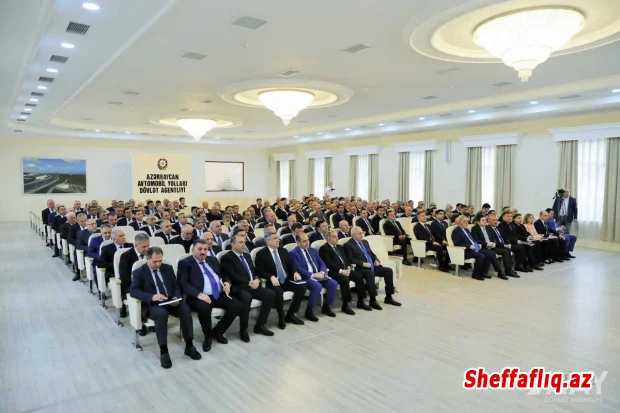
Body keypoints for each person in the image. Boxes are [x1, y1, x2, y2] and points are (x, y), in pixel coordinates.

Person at [130, 247, 201, 368]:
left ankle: (189, 345)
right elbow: (134, 291)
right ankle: (164, 351)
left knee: (185, 309)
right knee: (161, 314)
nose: (158, 264)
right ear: (147, 258)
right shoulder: (139, 272)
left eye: (160, 261)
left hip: (170, 300)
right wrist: (152, 297)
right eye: (155, 261)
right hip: (153, 304)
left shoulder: (167, 268)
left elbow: (176, 286)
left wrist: (176, 297)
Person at [177, 239, 242, 352]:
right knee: (204, 308)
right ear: (193, 250)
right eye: (199, 249)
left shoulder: (212, 259)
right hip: (197, 296)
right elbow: (183, 283)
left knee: (236, 305)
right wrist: (198, 294)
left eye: (205, 249)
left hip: (217, 294)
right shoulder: (185, 263)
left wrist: (227, 282)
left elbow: (223, 274)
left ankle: (218, 332)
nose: (203, 252)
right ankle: (208, 337)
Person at [220, 235, 276, 340]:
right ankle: (243, 329)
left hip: (252, 285)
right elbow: (232, 275)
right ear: (232, 244)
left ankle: (260, 325)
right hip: (239, 287)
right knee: (246, 297)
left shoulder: (247, 256)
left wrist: (257, 279)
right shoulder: (227, 258)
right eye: (240, 242)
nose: (244, 244)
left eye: (244, 242)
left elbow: (255, 271)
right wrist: (248, 282)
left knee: (270, 294)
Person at [254, 233, 308, 328]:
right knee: (278, 292)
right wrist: (271, 277)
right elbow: (260, 270)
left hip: (286, 279)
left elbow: (290, 265)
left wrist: (295, 272)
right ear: (268, 241)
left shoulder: (283, 251)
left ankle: (291, 314)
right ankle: (281, 317)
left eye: (278, 238)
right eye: (275, 238)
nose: (278, 240)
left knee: (302, 287)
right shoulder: (261, 254)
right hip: (272, 281)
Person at [344, 227, 401, 307]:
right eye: (359, 233)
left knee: (388, 271)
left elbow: (371, 253)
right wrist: (363, 264)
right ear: (353, 235)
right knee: (370, 274)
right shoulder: (348, 245)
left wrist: (376, 260)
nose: (362, 235)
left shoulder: (365, 242)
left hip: (372, 266)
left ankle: (388, 297)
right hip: (361, 268)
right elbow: (350, 259)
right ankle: (373, 300)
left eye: (362, 233)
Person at [289, 233, 339, 321]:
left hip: (318, 274)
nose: (307, 243)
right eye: (304, 241)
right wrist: (312, 275)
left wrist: (322, 272)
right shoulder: (293, 253)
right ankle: (309, 311)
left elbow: (322, 262)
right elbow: (297, 268)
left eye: (308, 240)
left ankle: (326, 307)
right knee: (317, 286)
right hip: (306, 277)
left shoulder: (313, 250)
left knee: (333, 283)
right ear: (298, 243)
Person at [319, 230, 368, 315]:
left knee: (358, 277)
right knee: (345, 279)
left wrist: (348, 268)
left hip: (345, 270)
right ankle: (345, 305)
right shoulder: (324, 248)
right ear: (328, 239)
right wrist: (341, 271)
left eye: (337, 237)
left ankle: (360, 301)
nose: (337, 238)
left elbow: (346, 260)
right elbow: (328, 263)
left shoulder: (340, 247)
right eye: (334, 237)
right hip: (333, 272)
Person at [118, 232, 150, 319]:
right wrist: (140, 281)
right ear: (136, 245)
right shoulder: (125, 256)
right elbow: (124, 276)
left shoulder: (150, 254)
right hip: (132, 284)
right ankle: (141, 319)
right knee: (143, 295)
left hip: (148, 282)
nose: (147, 249)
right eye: (144, 247)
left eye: (148, 246)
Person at [451, 215, 489, 281]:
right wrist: (469, 246)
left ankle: (482, 273)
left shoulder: (466, 230)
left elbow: (472, 240)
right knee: (481, 256)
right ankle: (475, 275)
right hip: (464, 251)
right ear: (459, 222)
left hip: (472, 249)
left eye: (467, 221)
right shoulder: (456, 231)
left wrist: (477, 245)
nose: (466, 223)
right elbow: (457, 243)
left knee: (488, 254)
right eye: (464, 221)